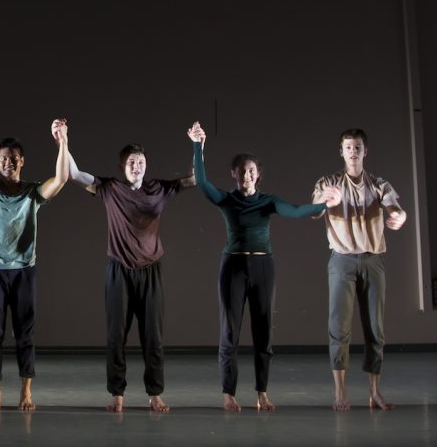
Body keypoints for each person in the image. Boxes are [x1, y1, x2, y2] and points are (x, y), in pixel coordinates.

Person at [187, 122, 341, 412]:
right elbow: (203, 183)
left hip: (263, 267)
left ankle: (262, 393)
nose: (247, 174)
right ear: (234, 173)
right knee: (229, 333)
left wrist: (322, 206)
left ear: (258, 174)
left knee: (263, 333)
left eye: (252, 170)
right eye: (242, 170)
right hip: (232, 266)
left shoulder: (269, 201)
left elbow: (295, 211)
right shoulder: (227, 200)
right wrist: (198, 145)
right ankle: (228, 394)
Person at [67, 134, 194, 413]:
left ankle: (155, 394)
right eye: (131, 162)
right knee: (116, 335)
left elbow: (194, 179)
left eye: (141, 162)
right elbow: (73, 174)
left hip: (151, 271)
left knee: (153, 337)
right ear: (122, 167)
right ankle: (117, 394)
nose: (137, 166)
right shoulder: (110, 188)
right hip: (119, 271)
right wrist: (63, 139)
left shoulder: (159, 189)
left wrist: (198, 144)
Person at [0, 118, 69, 411]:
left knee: (24, 334)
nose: (9, 163)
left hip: (23, 270)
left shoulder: (32, 192)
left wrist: (62, 142)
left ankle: (26, 392)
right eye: (3, 159)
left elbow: (60, 180)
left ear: (22, 161)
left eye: (13, 158)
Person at [312, 128, 406, 411]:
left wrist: (399, 216)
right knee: (338, 327)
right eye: (348, 147)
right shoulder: (329, 182)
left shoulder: (379, 184)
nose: (353, 151)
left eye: (358, 147)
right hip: (341, 260)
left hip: (372, 259)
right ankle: (340, 392)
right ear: (341, 152)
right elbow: (314, 209)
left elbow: (395, 209)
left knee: (375, 328)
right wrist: (323, 200)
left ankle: (374, 391)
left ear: (366, 152)